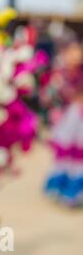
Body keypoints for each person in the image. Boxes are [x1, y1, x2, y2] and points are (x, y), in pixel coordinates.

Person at [44, 40, 83, 206]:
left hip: (79, 120)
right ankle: (59, 188)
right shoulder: (60, 74)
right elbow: (50, 96)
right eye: (71, 52)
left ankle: (74, 192)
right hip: (66, 118)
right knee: (64, 153)